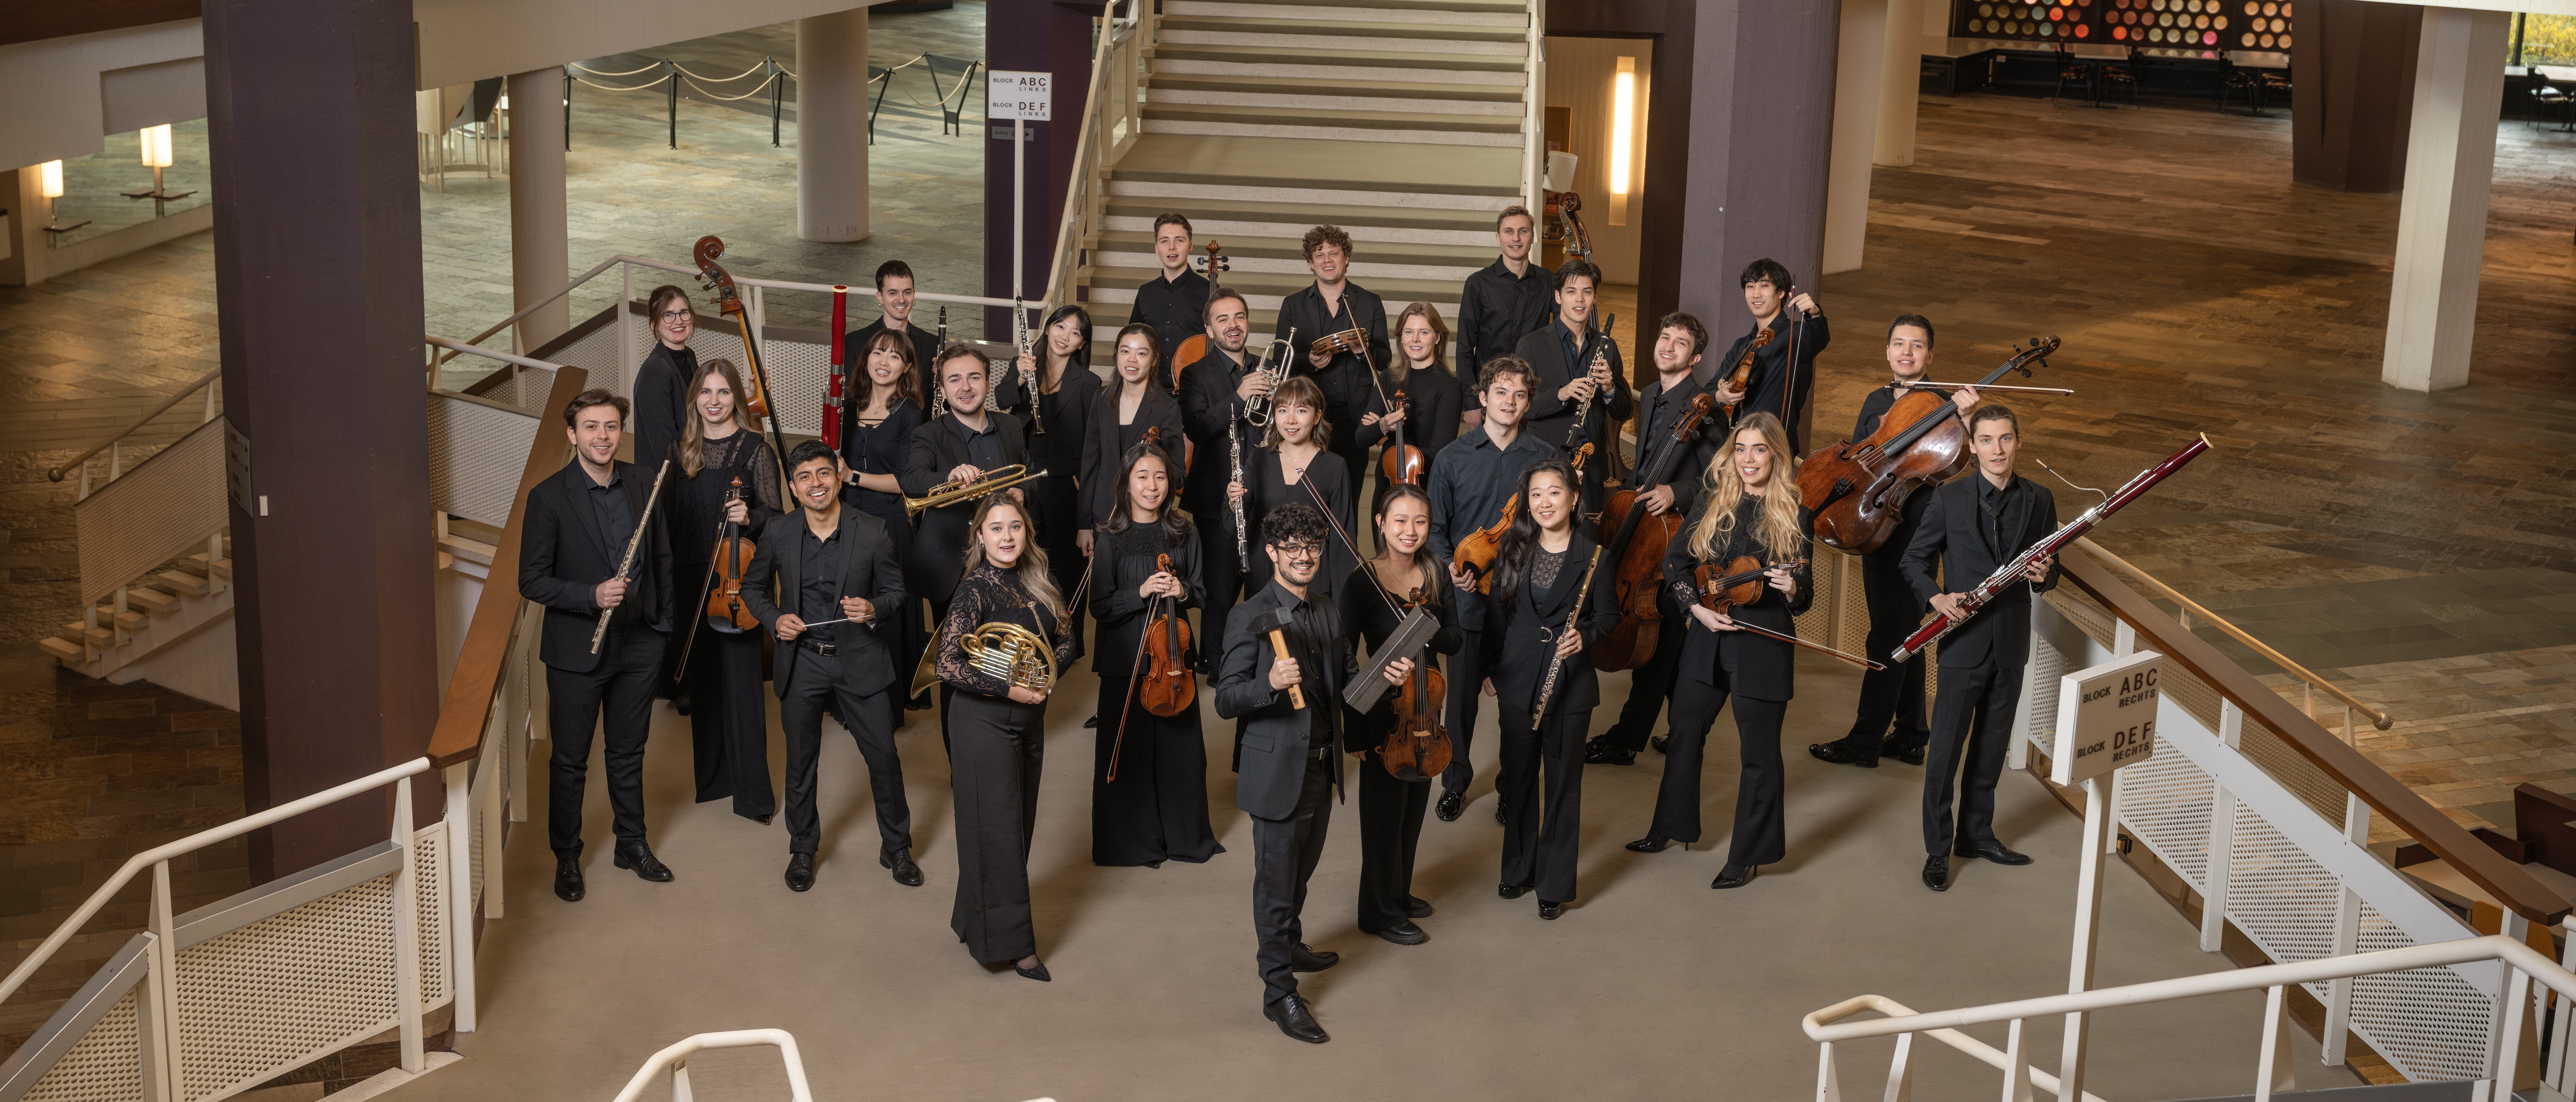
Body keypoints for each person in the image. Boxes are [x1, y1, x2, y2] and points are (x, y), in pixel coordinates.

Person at [1217, 503, 1409, 1044]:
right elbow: (1227, 700)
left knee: (1300, 873)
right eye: (1293, 548)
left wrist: (1387, 680)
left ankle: (1291, 945)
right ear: (1272, 553)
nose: (1305, 557)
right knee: (1275, 885)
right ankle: (1278, 991)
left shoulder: (1325, 610)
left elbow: (1351, 688)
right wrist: (1270, 683)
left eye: (1313, 547)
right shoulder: (1248, 615)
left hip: (1321, 768)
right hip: (1277, 770)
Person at [1628, 413, 1814, 891]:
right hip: (1708, 633)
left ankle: (1749, 854)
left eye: (1760, 450)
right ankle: (1670, 827)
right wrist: (1696, 608)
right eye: (1742, 449)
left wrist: (1792, 586)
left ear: (1776, 454)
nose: (1749, 459)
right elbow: (1677, 563)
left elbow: (1805, 595)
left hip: (1764, 643)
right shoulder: (1715, 498)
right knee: (1685, 731)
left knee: (1759, 754)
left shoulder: (1795, 510)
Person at [519, 389, 676, 903]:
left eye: (610, 427)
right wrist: (591, 595)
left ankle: (631, 843)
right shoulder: (547, 498)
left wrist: (662, 629)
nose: (602, 437)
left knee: (628, 751)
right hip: (576, 652)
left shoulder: (640, 481)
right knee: (570, 761)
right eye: (591, 427)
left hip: (639, 644)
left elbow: (663, 559)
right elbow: (532, 581)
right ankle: (567, 856)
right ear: (573, 435)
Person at [741, 441, 918, 893]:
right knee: (801, 763)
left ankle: (896, 846)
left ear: (837, 478)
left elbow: (898, 593)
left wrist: (873, 607)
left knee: (883, 756)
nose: (816, 484)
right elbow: (752, 588)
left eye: (823, 474)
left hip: (860, 658)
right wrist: (775, 618)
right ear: (795, 488)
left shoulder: (874, 530)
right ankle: (803, 847)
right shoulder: (779, 533)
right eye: (805, 478)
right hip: (803, 661)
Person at [1810, 314, 1979, 770]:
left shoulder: (1944, 405)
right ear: (1888, 352)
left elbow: (1964, 459)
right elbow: (1867, 457)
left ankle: (1864, 742)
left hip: (1915, 533)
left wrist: (1964, 419)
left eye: (1917, 346)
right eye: (1899, 344)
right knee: (1904, 632)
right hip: (1875, 522)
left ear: (1930, 356)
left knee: (1886, 638)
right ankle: (1910, 734)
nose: (1907, 352)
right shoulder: (1876, 398)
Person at [1904, 404, 2060, 893]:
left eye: (2006, 439)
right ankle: (1937, 849)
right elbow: (1914, 560)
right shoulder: (1949, 498)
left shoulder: (2040, 498)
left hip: (2010, 641)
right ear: (1972, 446)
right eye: (1987, 440)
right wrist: (1936, 596)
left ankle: (1977, 834)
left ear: (2018, 441)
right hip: (1962, 642)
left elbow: (2052, 570)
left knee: (1991, 748)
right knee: (1945, 752)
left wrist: (2044, 574)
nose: (1997, 449)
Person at [939, 495, 1079, 980]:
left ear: (1027, 532)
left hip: (1027, 717)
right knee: (997, 831)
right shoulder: (974, 590)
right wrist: (1011, 685)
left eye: (1015, 527)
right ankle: (1019, 947)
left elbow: (1068, 637)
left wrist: (1043, 671)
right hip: (982, 721)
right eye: (995, 528)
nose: (1006, 537)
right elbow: (948, 664)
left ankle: (971, 917)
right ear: (980, 536)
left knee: (1014, 826)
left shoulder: (1040, 580)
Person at [1477, 460, 1617, 919]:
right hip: (1517, 675)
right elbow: (1497, 615)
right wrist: (1489, 669)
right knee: (1518, 779)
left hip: (1569, 683)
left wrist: (1586, 637)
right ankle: (1518, 868)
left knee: (1562, 786)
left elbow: (1609, 616)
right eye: (1536, 494)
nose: (1544, 502)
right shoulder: (1514, 550)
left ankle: (1554, 884)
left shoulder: (1595, 554)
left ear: (1574, 498)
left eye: (1554, 492)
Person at [1423, 356, 1555, 824]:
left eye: (1520, 395)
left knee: (1517, 706)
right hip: (1465, 602)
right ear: (1483, 397)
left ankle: (1510, 788)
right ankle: (1455, 781)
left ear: (1528, 403)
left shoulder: (1543, 459)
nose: (1510, 402)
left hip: (1522, 605)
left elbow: (1553, 528)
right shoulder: (1452, 457)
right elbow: (1435, 529)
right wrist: (1451, 569)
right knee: (1459, 703)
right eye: (1501, 392)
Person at [1589, 312, 1717, 766]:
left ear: (1695, 356)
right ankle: (1688, 727)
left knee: (1660, 640)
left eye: (1681, 342)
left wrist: (1675, 491)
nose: (1668, 346)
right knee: (1668, 644)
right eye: (1665, 337)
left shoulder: (1704, 405)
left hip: (1674, 538)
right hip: (1641, 531)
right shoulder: (1652, 393)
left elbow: (1722, 479)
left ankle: (1629, 738)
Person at [1089, 441, 1223, 867]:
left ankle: (1182, 837)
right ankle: (1132, 843)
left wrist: (1182, 589)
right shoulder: (1109, 535)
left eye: (1161, 476)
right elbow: (1101, 605)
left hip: (1172, 659)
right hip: (1125, 660)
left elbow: (1203, 591)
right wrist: (1140, 592)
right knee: (1127, 752)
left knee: (1179, 753)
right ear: (1127, 483)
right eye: (1142, 476)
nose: (1152, 486)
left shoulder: (1185, 531)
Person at [1339, 485, 1458, 946]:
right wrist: (1380, 668)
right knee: (1383, 819)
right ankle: (1377, 911)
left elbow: (1454, 638)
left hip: (1424, 710)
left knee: (1411, 813)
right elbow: (1344, 658)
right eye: (1400, 521)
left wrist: (1424, 630)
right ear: (1381, 523)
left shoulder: (1432, 575)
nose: (1410, 531)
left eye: (1421, 522)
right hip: (1381, 714)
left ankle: (1400, 892)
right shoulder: (1362, 581)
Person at [670, 358, 784, 823]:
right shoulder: (684, 451)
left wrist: (750, 518)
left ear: (736, 396)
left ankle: (752, 793)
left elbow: (777, 518)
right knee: (704, 684)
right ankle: (714, 780)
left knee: (741, 687)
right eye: (706, 393)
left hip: (736, 581)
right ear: (695, 398)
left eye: (723, 392)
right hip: (693, 578)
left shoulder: (754, 449)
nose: (714, 402)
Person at [901, 346, 1032, 647]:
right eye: (955, 379)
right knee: (958, 655)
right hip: (953, 564)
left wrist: (1022, 491)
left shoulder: (1011, 426)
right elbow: (911, 478)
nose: (966, 387)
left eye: (974, 377)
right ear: (944, 389)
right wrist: (948, 478)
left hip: (1009, 559)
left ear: (988, 383)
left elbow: (1029, 472)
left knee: (1007, 648)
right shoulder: (929, 434)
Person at [838, 329, 934, 719]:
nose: (883, 361)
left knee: (884, 613)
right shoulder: (848, 405)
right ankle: (850, 700)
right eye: (878, 352)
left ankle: (888, 705)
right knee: (851, 608)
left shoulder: (910, 414)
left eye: (894, 356)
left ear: (907, 367)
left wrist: (852, 478)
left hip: (889, 524)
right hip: (847, 519)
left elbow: (904, 482)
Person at [1003, 303, 1101, 680]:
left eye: (1076, 333)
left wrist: (1086, 499)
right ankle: (1028, 634)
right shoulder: (1026, 364)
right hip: (1024, 480)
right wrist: (1020, 379)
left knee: (1066, 565)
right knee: (1025, 561)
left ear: (1081, 344)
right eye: (1061, 326)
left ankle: (1067, 642)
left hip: (1065, 483)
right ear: (1049, 328)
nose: (1065, 336)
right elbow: (1001, 400)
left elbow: (1094, 443)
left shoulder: (1089, 384)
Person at [1178, 287, 1266, 672]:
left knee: (1262, 583)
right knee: (1220, 587)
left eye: (1240, 317)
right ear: (1210, 330)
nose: (1234, 326)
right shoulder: (1196, 373)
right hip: (1216, 496)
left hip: (1263, 490)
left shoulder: (1267, 367)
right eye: (1223, 319)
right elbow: (1196, 428)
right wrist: (1238, 396)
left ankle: (1258, 660)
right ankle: (1215, 662)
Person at [1272, 225, 1387, 502]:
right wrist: (1309, 362)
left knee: (1349, 495)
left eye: (1334, 253)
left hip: (1355, 416)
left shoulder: (1370, 303)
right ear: (1311, 262)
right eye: (1319, 254)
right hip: (1308, 416)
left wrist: (1363, 350)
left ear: (1346, 258)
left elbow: (1385, 358)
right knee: (1309, 497)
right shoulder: (1294, 304)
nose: (1327, 260)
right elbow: (1281, 360)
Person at [1512, 258, 1632, 515]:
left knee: (1587, 539)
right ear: (1558, 296)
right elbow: (1520, 407)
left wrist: (1610, 389)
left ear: (1595, 297)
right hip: (1546, 460)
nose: (1580, 300)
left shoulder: (1607, 346)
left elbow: (1624, 412)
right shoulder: (1531, 344)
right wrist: (1561, 394)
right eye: (1571, 292)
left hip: (1592, 462)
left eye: (1587, 292)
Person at [1234, 376, 1355, 606]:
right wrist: (1233, 503)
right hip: (1264, 576)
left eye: (1301, 410)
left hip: (1314, 580)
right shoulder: (1258, 458)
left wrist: (1341, 607)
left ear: (1318, 415)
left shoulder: (1335, 466)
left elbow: (1344, 544)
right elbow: (1236, 525)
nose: (1291, 420)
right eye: (1282, 410)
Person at [1353, 302, 1464, 519]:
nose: (1415, 339)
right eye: (1409, 332)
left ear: (1437, 337)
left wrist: (1387, 443)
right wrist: (1383, 425)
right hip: (1386, 487)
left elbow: (1440, 451)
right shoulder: (1388, 378)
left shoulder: (1449, 386)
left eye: (1424, 332)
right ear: (1401, 337)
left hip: (1426, 489)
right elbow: (1360, 438)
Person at [1710, 258, 1829, 454]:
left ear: (1781, 292)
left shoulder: (1798, 335)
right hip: (1738, 444)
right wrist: (1720, 395)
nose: (1756, 294)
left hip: (1776, 445)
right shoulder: (1743, 345)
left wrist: (1815, 314)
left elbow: (1819, 338)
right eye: (1750, 287)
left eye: (1764, 286)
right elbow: (1711, 388)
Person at [1081, 324, 1188, 535]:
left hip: (1147, 519)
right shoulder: (1102, 399)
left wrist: (1152, 477)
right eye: (1125, 351)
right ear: (1117, 355)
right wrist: (1084, 524)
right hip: (1103, 517)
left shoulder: (1167, 408)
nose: (1132, 360)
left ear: (1154, 359)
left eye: (1141, 353)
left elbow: (1179, 473)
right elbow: (1090, 464)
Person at [1454, 205, 1553, 384]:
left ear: (1532, 237)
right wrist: (1471, 403)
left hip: (1534, 386)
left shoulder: (1549, 281)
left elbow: (1565, 331)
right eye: (1509, 232)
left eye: (1523, 231)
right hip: (1489, 387)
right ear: (1498, 238)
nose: (1516, 238)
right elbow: (1464, 347)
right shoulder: (1477, 284)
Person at [842, 260, 942, 412]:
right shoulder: (855, 342)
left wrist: (945, 378)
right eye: (893, 293)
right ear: (880, 298)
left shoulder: (932, 345)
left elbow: (936, 405)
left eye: (907, 293)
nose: (901, 300)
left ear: (914, 294)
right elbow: (851, 401)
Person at [1129, 213, 1207, 389]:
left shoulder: (1209, 292)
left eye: (1179, 240)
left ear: (1190, 246)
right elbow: (1132, 339)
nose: (1172, 247)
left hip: (1194, 391)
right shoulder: (1146, 292)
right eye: (1165, 241)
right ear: (1157, 248)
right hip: (1150, 389)